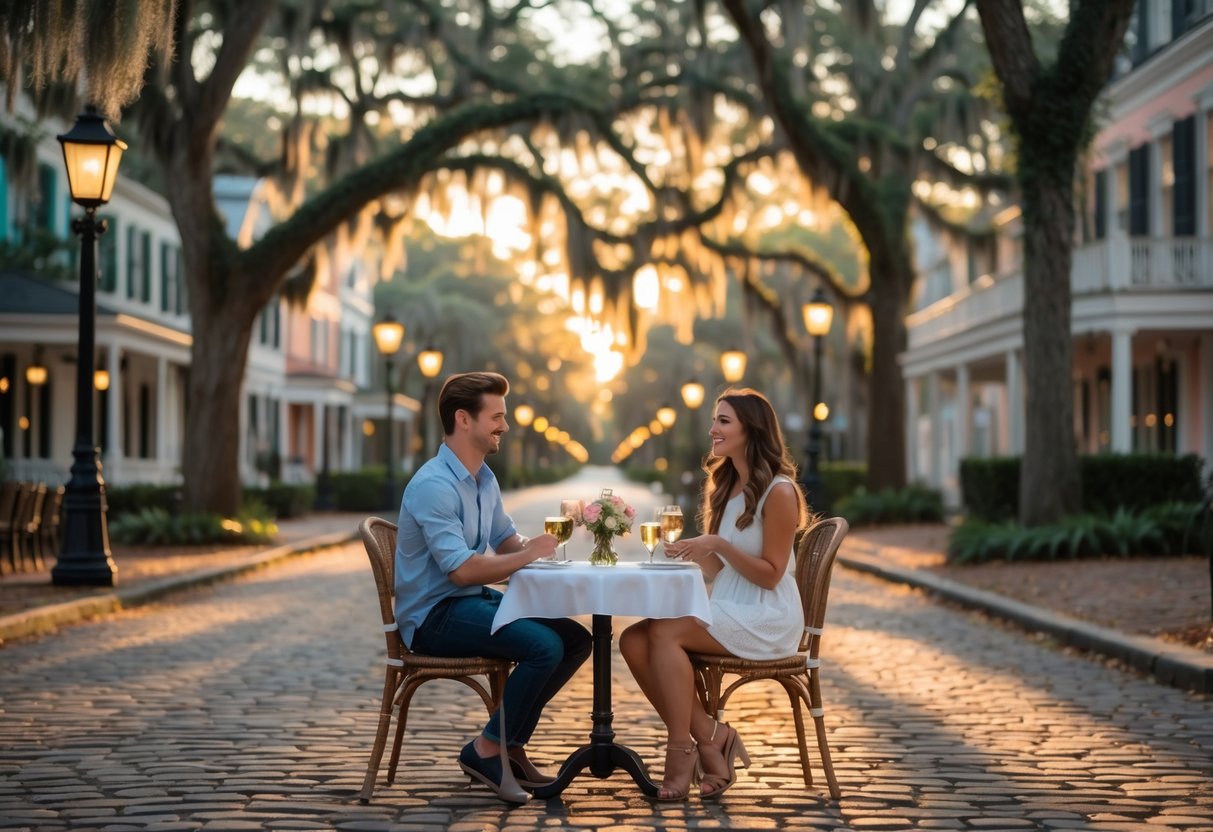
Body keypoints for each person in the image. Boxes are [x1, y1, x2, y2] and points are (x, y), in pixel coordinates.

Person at [394, 371, 591, 802]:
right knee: (544, 647)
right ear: (464, 420)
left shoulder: (483, 477)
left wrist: (538, 548)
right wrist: (529, 553)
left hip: (468, 603)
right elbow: (461, 571)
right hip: (434, 617)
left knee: (576, 640)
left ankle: (510, 747)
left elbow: (506, 540)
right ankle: (486, 749)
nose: (504, 425)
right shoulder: (434, 486)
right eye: (496, 417)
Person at [620, 388, 808, 801]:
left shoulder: (779, 491)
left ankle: (681, 748)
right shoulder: (725, 486)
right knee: (632, 639)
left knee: (665, 633)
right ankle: (712, 735)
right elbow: (719, 570)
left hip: (768, 614)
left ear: (751, 429)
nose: (712, 429)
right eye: (714, 420)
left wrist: (718, 545)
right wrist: (690, 553)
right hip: (729, 603)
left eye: (723, 421)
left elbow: (772, 576)